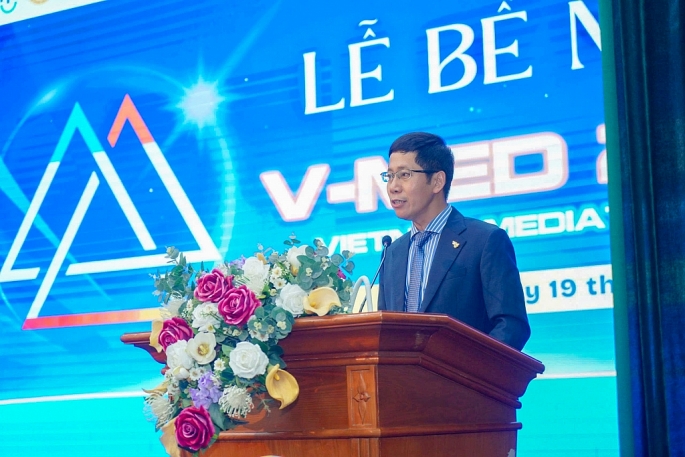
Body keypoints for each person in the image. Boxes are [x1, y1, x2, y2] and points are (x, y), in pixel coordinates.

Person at [377, 132, 531, 350]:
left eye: (404, 175)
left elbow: (511, 326)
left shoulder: (484, 240)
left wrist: (469, 369)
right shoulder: (392, 252)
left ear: (437, 181)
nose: (393, 186)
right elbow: (386, 333)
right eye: (390, 175)